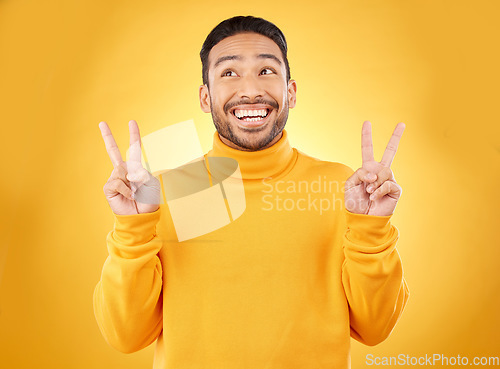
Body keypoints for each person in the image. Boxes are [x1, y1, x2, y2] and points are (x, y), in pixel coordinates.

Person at [94, 15, 409, 369]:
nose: (249, 90)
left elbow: (375, 328)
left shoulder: (344, 190)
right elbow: (126, 336)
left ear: (290, 92)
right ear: (205, 96)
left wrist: (371, 230)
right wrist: (133, 229)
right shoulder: (160, 196)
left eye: (266, 71)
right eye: (229, 73)